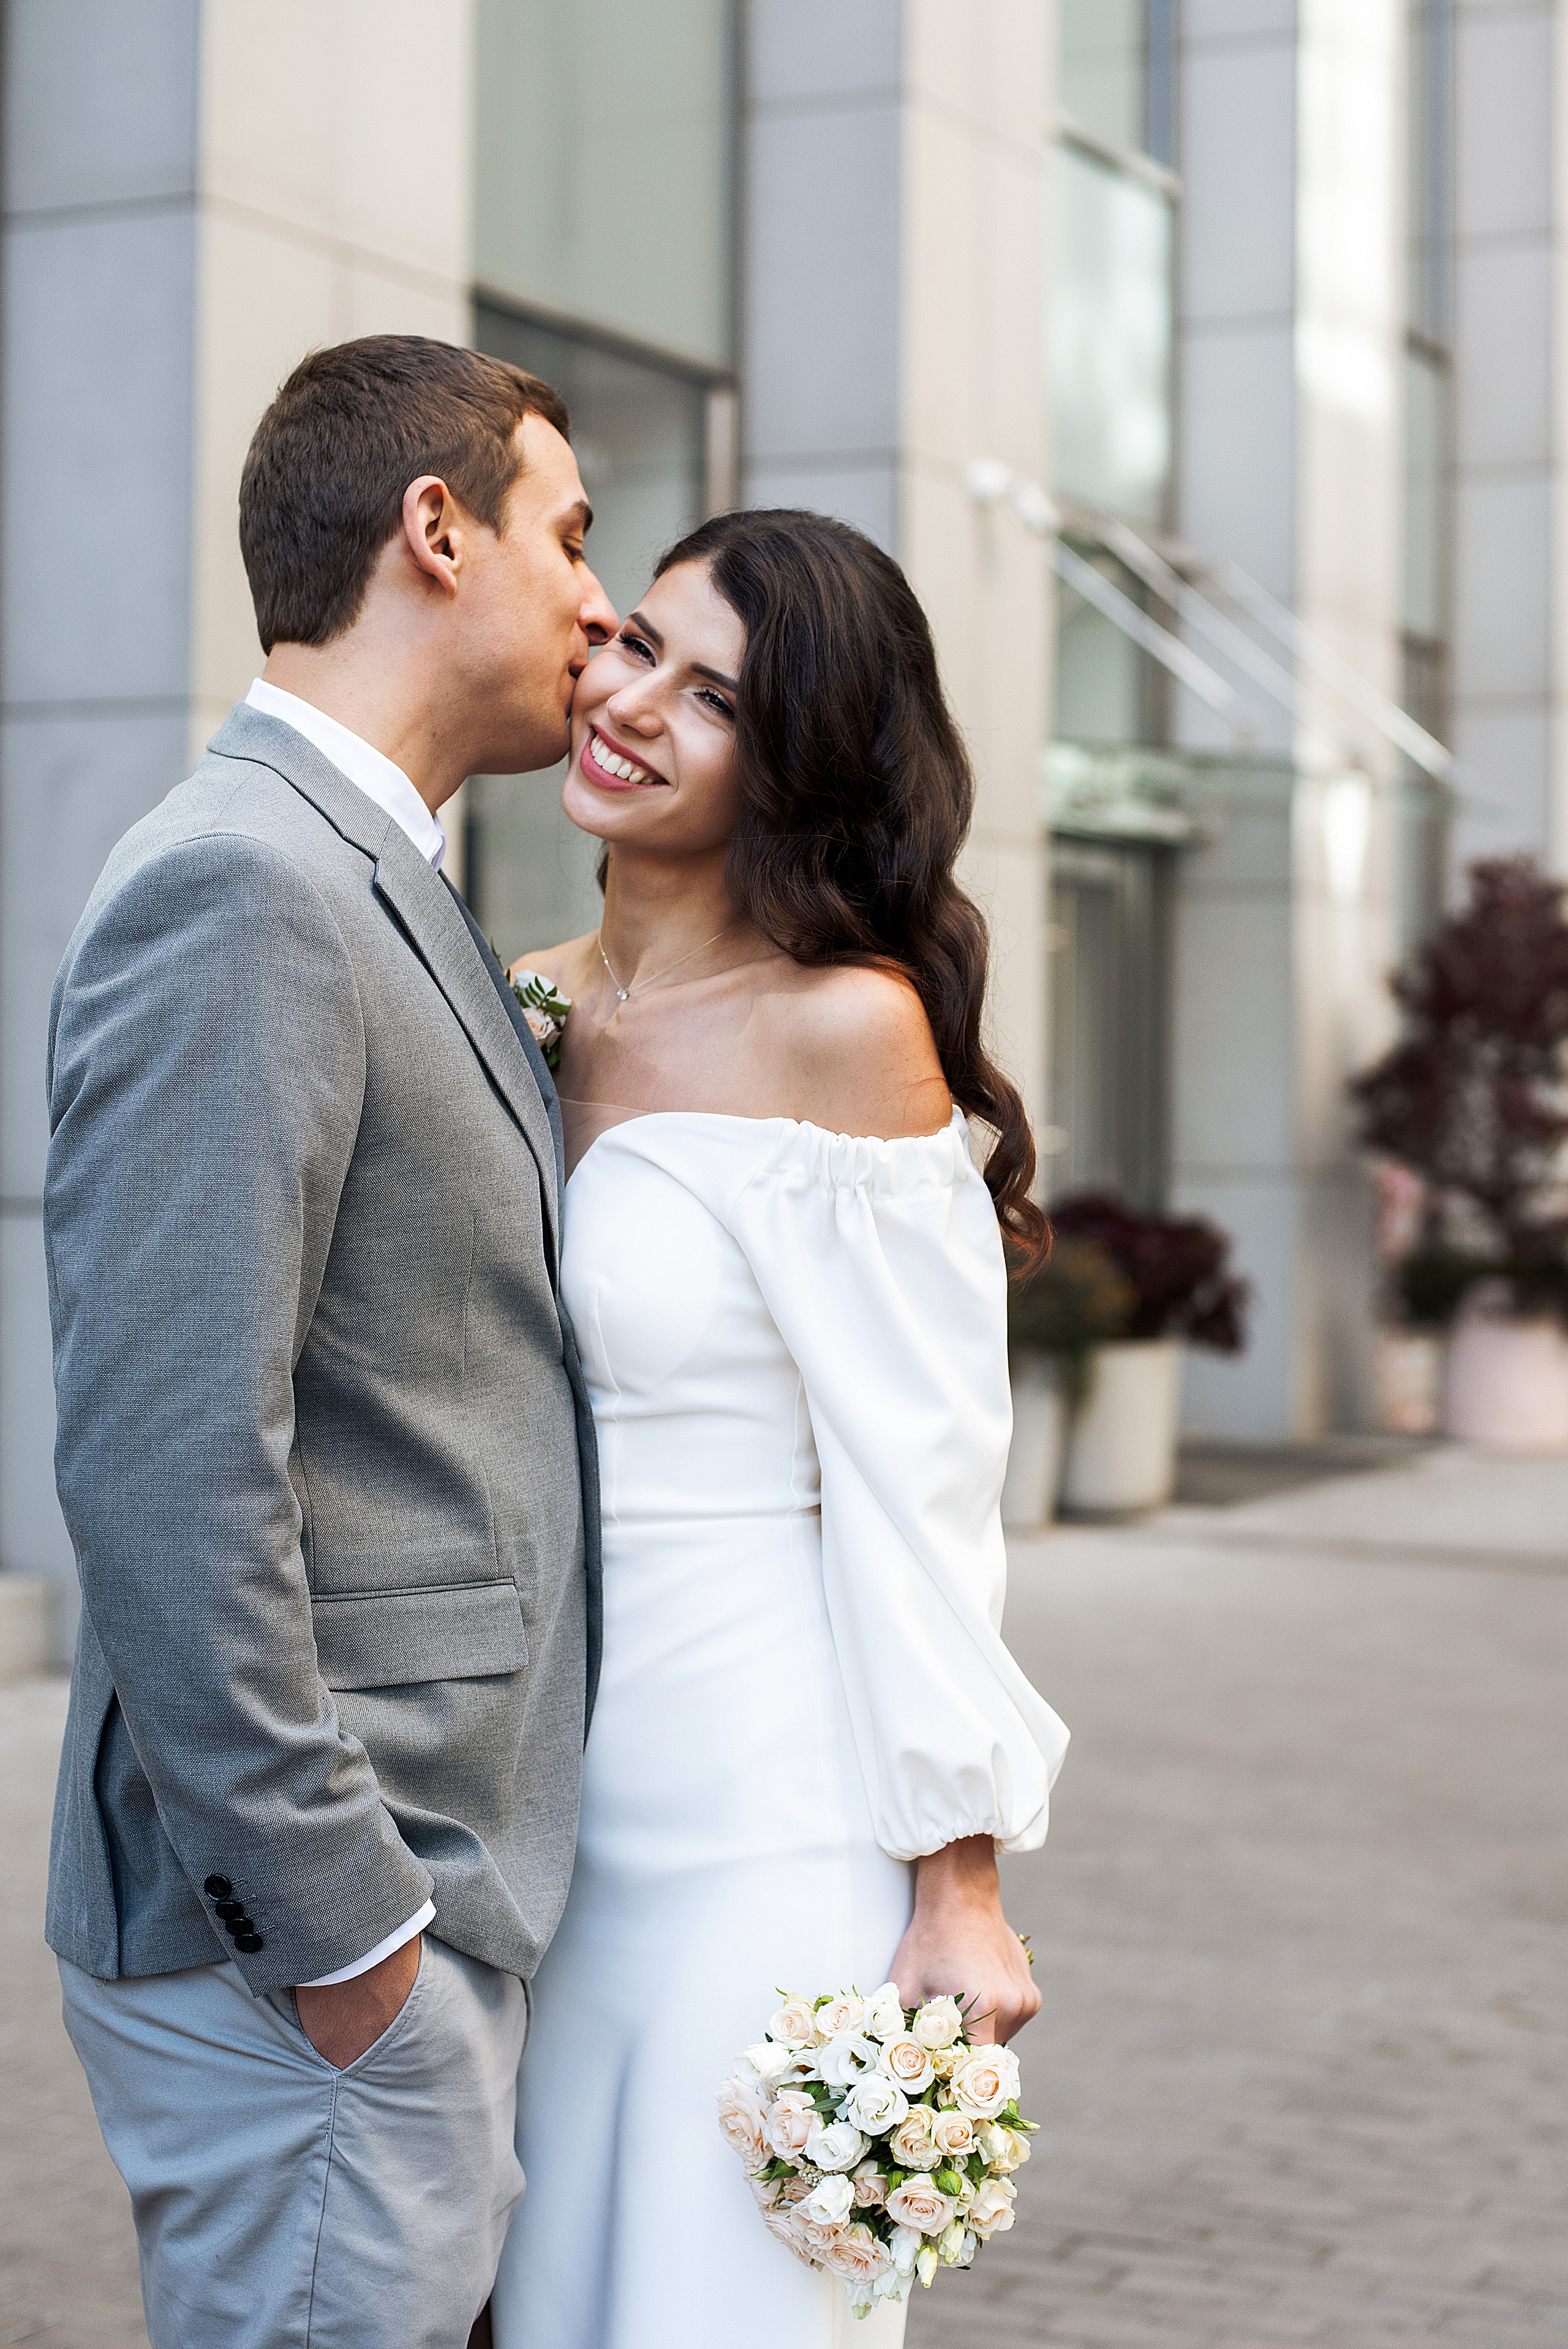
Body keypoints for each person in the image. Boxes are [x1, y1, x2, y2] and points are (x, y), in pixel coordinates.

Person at [43, 336, 617, 2349]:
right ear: (434, 531)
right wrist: (350, 1926)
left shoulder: (382, 881)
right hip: (322, 1949)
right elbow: (162, 1465)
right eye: (570, 534)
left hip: (405, 1917)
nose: (603, 602)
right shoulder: (247, 888)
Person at [488, 510, 1069, 2348]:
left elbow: (921, 1494)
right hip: (532, 1805)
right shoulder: (512, 996)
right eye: (634, 642)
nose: (631, 701)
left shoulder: (848, 1031)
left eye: (712, 692)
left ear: (797, 763)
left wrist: (957, 1883)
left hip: (760, 1811)